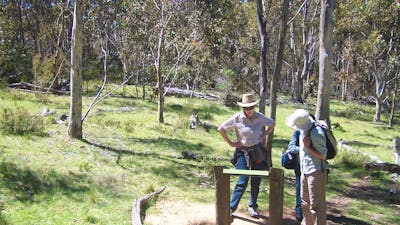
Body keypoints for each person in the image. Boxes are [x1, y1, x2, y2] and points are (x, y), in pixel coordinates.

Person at [218, 93, 275, 218]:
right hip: (242, 152)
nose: (249, 110)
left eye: (251, 107)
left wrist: (263, 135)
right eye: (247, 108)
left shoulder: (259, 117)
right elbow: (221, 129)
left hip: (257, 151)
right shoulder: (236, 118)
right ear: (243, 108)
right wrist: (232, 143)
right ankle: (231, 208)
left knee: (256, 179)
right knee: (243, 180)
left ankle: (252, 206)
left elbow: (272, 123)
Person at [286, 109, 328, 225]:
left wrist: (307, 147)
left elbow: (323, 155)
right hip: (305, 170)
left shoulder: (316, 132)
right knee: (305, 203)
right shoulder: (303, 131)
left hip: (316, 171)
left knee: (316, 206)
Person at [284, 129, 303, 223]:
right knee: (300, 187)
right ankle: (299, 211)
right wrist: (304, 150)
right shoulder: (298, 133)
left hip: (316, 166)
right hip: (300, 165)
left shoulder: (317, 132)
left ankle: (312, 211)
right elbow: (291, 147)